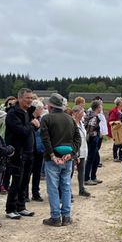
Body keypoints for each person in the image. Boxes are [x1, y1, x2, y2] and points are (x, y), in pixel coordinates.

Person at [39, 93, 80, 226]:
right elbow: (77, 139)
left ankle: (55, 217)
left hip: (52, 159)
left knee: (53, 188)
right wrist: (72, 153)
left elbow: (46, 139)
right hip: (67, 157)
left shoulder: (46, 119)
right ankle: (66, 217)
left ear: (50, 106)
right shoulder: (70, 119)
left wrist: (52, 155)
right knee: (66, 186)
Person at [4, 89, 37, 219]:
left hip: (29, 152)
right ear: (20, 99)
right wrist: (32, 125)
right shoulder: (13, 114)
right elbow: (21, 131)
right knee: (17, 181)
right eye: (27, 98)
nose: (29, 100)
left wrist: (32, 124)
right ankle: (10, 208)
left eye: (31, 98)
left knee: (25, 181)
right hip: (18, 153)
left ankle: (21, 206)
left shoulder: (27, 112)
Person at [29, 99, 45, 203]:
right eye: (41, 109)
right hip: (30, 149)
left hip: (39, 150)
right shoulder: (29, 119)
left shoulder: (41, 119)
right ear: (37, 109)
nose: (43, 111)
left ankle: (35, 193)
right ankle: (24, 194)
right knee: (26, 173)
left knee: (37, 173)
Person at [73, 106, 91, 198]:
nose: (83, 114)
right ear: (76, 113)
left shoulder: (81, 123)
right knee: (70, 172)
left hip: (83, 150)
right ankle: (67, 191)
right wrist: (75, 154)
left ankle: (82, 189)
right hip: (75, 151)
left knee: (81, 171)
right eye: (81, 112)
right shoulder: (72, 124)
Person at [83, 101, 103, 186]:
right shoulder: (94, 117)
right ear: (97, 108)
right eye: (100, 106)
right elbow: (90, 130)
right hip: (92, 141)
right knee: (91, 159)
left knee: (95, 159)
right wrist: (97, 134)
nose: (101, 108)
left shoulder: (90, 115)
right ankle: (87, 178)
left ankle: (93, 177)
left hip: (91, 140)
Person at [108, 97, 122, 162]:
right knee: (117, 142)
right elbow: (111, 120)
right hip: (116, 128)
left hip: (121, 128)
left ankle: (121, 156)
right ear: (120, 103)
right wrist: (117, 122)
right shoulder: (114, 111)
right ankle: (115, 156)